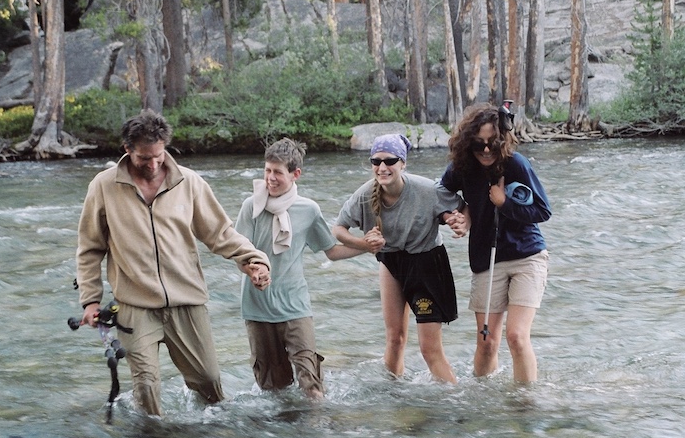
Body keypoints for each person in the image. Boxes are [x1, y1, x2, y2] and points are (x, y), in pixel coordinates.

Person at [75, 109, 271, 416]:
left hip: (187, 300)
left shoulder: (189, 182)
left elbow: (219, 232)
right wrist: (90, 301)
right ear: (127, 151)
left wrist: (254, 260)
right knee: (146, 386)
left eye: (159, 155)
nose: (153, 165)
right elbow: (89, 248)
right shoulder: (104, 186)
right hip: (134, 305)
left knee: (208, 381)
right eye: (144, 158)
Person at [235, 138, 364, 398]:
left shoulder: (308, 210)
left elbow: (332, 251)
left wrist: (367, 247)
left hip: (296, 307)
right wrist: (253, 269)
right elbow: (237, 251)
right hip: (257, 308)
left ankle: (317, 430)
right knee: (274, 388)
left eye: (277, 172)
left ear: (295, 174)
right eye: (267, 170)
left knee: (311, 383)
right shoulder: (251, 206)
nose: (270, 178)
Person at [333, 134, 466, 383]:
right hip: (391, 262)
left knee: (429, 350)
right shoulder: (364, 194)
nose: (382, 168)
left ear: (403, 163)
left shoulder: (426, 189)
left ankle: (454, 404)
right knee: (395, 338)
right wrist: (364, 244)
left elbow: (462, 207)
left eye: (390, 160)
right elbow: (338, 229)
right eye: (376, 161)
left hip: (427, 263)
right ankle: (393, 397)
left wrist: (458, 222)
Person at [440, 102, 551, 383]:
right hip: (485, 259)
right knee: (487, 342)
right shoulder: (462, 167)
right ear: (468, 143)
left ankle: (525, 405)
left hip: (526, 256)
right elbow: (440, 194)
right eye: (479, 144)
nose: (486, 150)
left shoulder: (516, 164)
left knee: (516, 336)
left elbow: (543, 210)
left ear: (502, 140)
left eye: (492, 143)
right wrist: (454, 215)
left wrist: (504, 204)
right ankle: (482, 405)